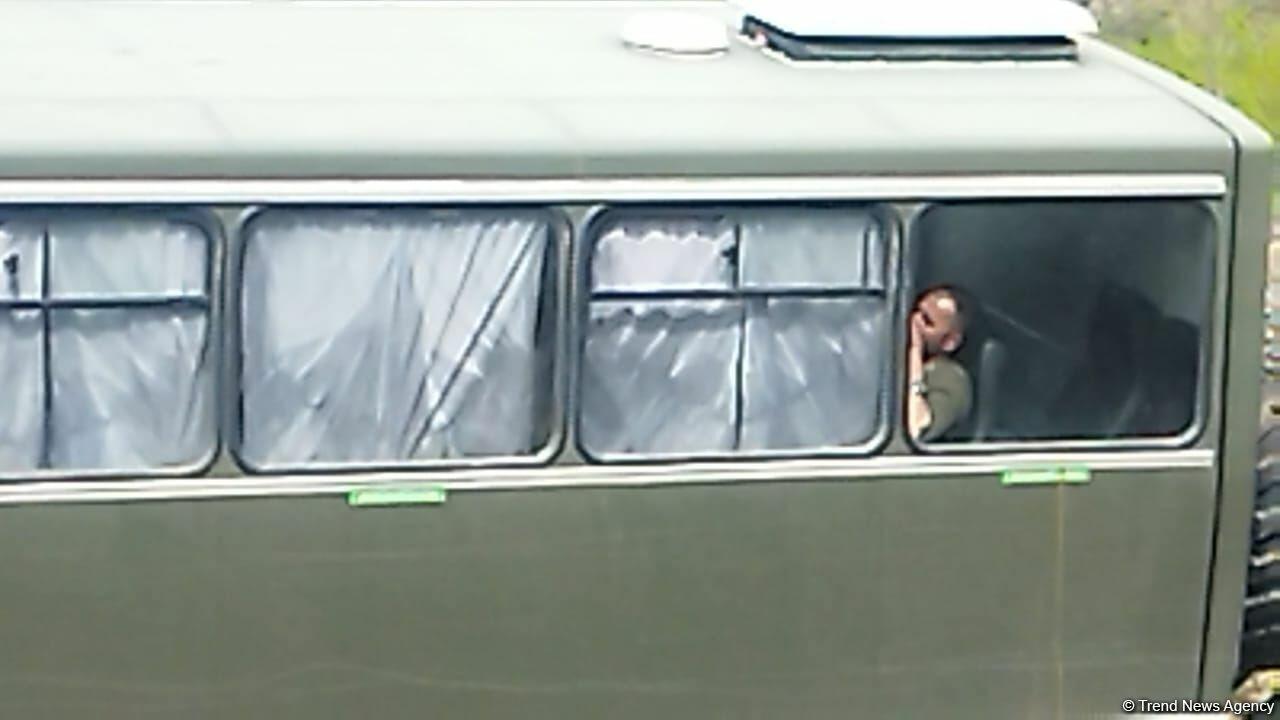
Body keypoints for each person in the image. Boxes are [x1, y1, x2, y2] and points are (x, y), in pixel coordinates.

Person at [907, 285, 973, 442]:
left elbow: (916, 426)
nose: (914, 322)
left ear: (949, 341)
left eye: (926, 320)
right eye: (915, 312)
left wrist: (914, 349)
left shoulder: (951, 379)